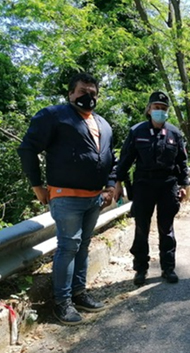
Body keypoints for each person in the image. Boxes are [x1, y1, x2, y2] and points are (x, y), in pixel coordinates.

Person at [17, 73, 117, 325]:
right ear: (71, 94)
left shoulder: (103, 123)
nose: (88, 96)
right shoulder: (54, 116)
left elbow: (110, 160)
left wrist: (110, 185)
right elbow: (28, 148)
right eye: (83, 91)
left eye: (93, 92)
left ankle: (78, 293)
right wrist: (36, 185)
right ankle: (61, 303)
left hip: (94, 198)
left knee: (83, 245)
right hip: (66, 196)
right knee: (68, 246)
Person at [114, 91, 188, 286]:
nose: (160, 112)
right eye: (156, 108)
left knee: (167, 228)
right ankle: (140, 269)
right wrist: (117, 182)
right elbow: (125, 159)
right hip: (143, 185)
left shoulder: (174, 133)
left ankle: (168, 268)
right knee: (141, 228)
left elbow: (182, 161)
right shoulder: (137, 132)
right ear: (148, 110)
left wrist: (183, 185)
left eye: (163, 109)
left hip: (168, 185)